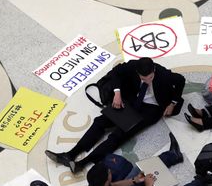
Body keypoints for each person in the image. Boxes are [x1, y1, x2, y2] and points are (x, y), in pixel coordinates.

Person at [46, 57, 185, 173]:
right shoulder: (133, 65)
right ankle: (70, 154)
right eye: (144, 78)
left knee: (119, 135)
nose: (148, 81)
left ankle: (82, 163)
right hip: (132, 100)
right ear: (137, 72)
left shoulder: (164, 74)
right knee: (101, 121)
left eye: (150, 77)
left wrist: (172, 103)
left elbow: (181, 80)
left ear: (154, 70)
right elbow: (115, 72)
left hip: (152, 109)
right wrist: (117, 93)